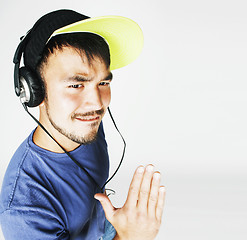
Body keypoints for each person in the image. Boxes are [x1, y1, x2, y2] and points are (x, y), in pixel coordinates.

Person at [0, 9, 166, 240]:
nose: (97, 103)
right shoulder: (24, 211)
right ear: (33, 90)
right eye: (76, 85)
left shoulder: (85, 124)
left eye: (103, 82)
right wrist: (130, 237)